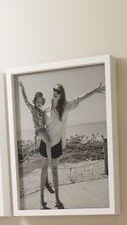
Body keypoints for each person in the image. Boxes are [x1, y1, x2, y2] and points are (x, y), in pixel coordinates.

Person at [39, 81, 105, 209]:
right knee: (43, 170)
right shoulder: (45, 110)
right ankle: (41, 201)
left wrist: (95, 91)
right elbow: (40, 126)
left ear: (61, 94)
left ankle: (57, 200)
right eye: (54, 89)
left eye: (58, 91)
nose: (55, 92)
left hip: (56, 144)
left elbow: (80, 98)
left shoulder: (65, 107)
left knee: (54, 171)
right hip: (45, 144)